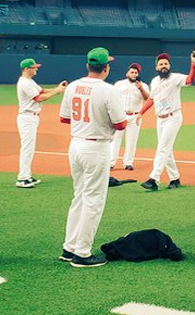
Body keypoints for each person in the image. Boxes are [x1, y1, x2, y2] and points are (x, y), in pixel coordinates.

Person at [58, 47, 126, 268]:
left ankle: (69, 248)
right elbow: (120, 124)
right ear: (106, 68)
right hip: (96, 147)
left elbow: (64, 119)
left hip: (75, 145)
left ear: (88, 66)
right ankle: (82, 253)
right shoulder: (109, 90)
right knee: (93, 200)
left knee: (79, 197)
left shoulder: (73, 87)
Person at [139, 51, 195, 191]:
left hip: (173, 117)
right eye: (161, 64)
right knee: (167, 149)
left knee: (162, 148)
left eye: (166, 63)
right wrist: (140, 113)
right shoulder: (154, 81)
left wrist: (194, 64)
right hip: (160, 119)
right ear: (156, 67)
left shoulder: (175, 78)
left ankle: (154, 178)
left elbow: (190, 80)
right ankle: (175, 178)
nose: (163, 66)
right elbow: (152, 99)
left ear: (169, 66)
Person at [16, 58, 67, 188]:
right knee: (27, 148)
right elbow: (39, 98)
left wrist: (57, 88)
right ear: (27, 69)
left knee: (29, 148)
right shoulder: (25, 83)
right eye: (34, 67)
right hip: (27, 118)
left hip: (31, 117)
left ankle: (27, 175)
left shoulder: (29, 81)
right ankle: (22, 178)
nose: (36, 69)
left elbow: (42, 91)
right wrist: (57, 92)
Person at [109, 63, 149, 170]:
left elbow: (147, 98)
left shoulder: (143, 85)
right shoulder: (119, 84)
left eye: (136, 73)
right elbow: (112, 98)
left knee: (131, 140)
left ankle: (128, 163)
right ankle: (111, 162)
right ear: (127, 74)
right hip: (120, 115)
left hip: (135, 116)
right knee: (115, 139)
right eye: (132, 72)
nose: (134, 74)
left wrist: (141, 89)